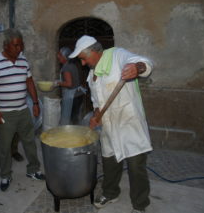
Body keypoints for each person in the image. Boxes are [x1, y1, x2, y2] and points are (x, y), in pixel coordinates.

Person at [69, 35, 153, 213]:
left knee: (136, 167)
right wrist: (96, 115)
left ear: (94, 52)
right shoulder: (93, 76)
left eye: (83, 58)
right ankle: (111, 193)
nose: (82, 63)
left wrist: (137, 68)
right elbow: (97, 102)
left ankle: (140, 204)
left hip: (129, 124)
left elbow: (143, 62)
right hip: (108, 127)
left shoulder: (118, 56)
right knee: (109, 164)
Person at [0, 28, 45, 192]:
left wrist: (36, 103)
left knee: (30, 142)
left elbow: (29, 82)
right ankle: (5, 175)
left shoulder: (23, 61)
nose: (19, 49)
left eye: (21, 45)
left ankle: (33, 170)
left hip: (23, 111)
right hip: (4, 113)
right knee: (4, 147)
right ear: (6, 45)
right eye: (16, 46)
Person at [55, 47, 85, 125]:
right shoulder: (72, 65)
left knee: (70, 119)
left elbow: (69, 84)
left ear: (64, 57)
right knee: (76, 117)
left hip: (73, 97)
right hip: (78, 95)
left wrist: (57, 83)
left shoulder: (66, 68)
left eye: (60, 55)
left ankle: (72, 134)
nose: (58, 56)